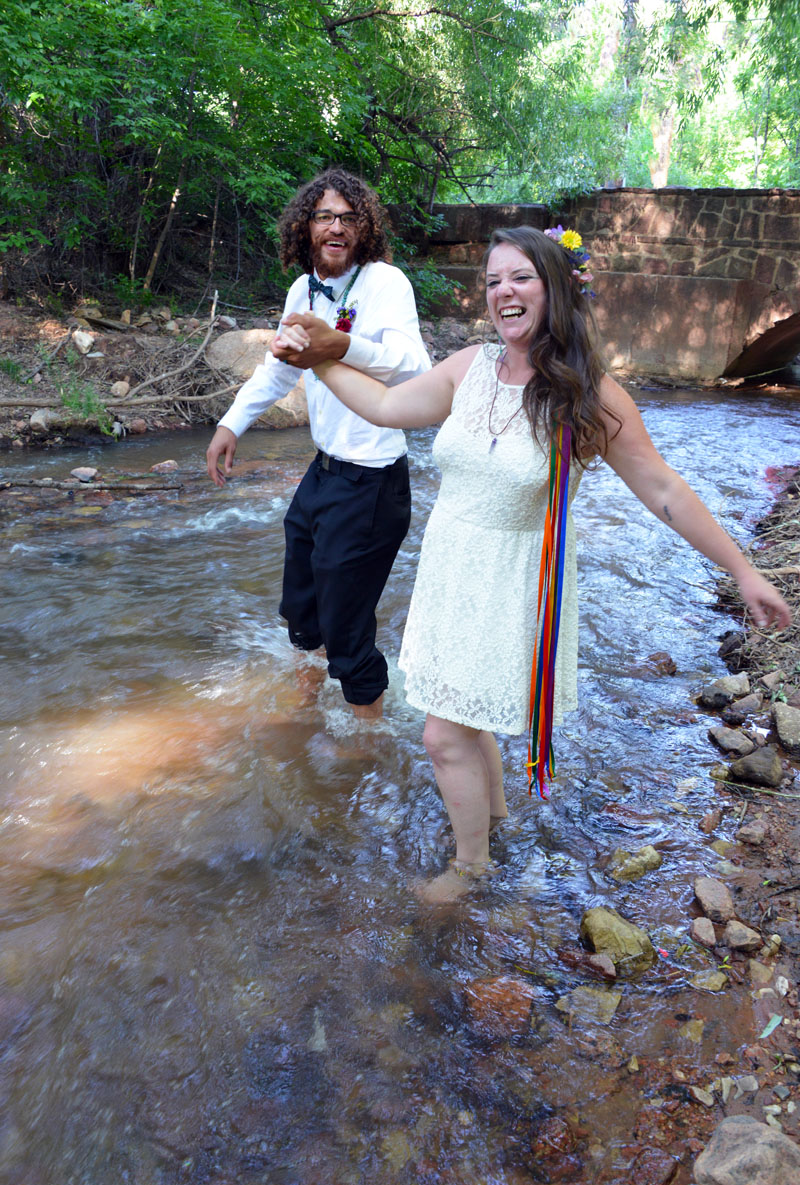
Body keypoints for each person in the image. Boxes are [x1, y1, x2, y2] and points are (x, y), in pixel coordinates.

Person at [275, 224, 792, 901]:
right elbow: (385, 404)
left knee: (440, 734)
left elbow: (664, 489)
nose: (503, 292)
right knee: (466, 716)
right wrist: (319, 359)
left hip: (517, 579)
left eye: (519, 277)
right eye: (492, 281)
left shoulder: (586, 394)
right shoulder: (468, 367)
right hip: (451, 569)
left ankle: (472, 868)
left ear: (554, 287)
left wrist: (745, 570)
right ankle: (493, 821)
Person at [205, 169, 431, 718]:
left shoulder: (386, 283)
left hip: (373, 482)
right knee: (303, 610)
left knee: (347, 627)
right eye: (324, 216)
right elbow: (279, 369)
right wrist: (231, 423)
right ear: (306, 226)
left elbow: (416, 369)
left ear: (364, 227)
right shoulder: (303, 288)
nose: (336, 227)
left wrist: (341, 346)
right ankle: (306, 707)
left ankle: (368, 738)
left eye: (347, 218)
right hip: (323, 473)